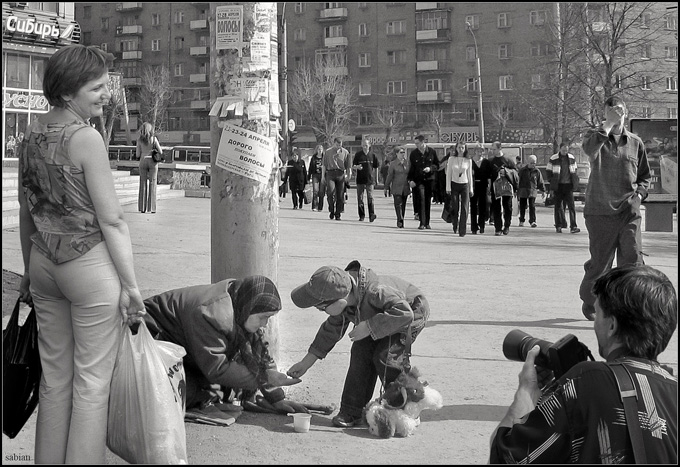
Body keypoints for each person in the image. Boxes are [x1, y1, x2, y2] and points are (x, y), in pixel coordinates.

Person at [17, 44, 146, 464]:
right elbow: (112, 221)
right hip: (88, 266)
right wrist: (130, 286)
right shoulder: (86, 138)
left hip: (42, 264)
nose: (106, 93)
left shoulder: (32, 135)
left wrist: (26, 272)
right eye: (97, 87)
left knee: (55, 381)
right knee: (92, 384)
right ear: (69, 91)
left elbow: (26, 212)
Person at [490, 264, 677, 464]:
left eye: (598, 313)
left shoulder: (586, 380)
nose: (595, 322)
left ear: (612, 325)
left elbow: (506, 458)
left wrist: (526, 393)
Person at [287, 261, 430, 428]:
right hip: (378, 317)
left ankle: (407, 407)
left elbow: (405, 313)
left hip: (409, 313)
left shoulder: (376, 292)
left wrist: (370, 326)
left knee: (386, 357)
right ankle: (352, 411)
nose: (320, 310)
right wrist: (306, 363)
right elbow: (330, 332)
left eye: (321, 308)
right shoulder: (346, 301)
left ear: (338, 301)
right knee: (360, 352)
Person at [141, 276, 309, 415]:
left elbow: (261, 354)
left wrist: (277, 398)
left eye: (269, 318)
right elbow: (218, 369)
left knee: (224, 385)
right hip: (146, 343)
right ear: (250, 308)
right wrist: (264, 379)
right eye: (263, 317)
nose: (265, 324)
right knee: (181, 391)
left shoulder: (244, 302)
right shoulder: (210, 314)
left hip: (180, 348)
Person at [579, 96, 651, 321]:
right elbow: (589, 151)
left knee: (632, 259)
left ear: (626, 113)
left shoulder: (635, 142)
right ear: (605, 113)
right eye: (612, 110)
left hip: (628, 211)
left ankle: (629, 308)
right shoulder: (595, 137)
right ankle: (590, 299)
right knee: (600, 264)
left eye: (620, 110)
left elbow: (645, 176)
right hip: (600, 211)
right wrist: (607, 125)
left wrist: (638, 195)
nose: (617, 113)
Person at [546, 142, 581, 234]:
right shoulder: (554, 158)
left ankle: (573, 226)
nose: (565, 152)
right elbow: (548, 171)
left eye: (566, 150)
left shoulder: (571, 158)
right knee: (558, 207)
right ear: (560, 149)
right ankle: (558, 225)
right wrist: (552, 181)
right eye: (563, 150)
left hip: (568, 185)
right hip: (558, 185)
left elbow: (575, 170)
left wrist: (575, 181)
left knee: (571, 207)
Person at [408, 135, 439, 230]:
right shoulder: (414, 154)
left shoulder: (432, 152)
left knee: (427, 201)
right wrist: (410, 180)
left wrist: (430, 168)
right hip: (419, 180)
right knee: (421, 199)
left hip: (429, 180)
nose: (416, 145)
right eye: (415, 143)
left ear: (423, 142)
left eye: (417, 143)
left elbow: (437, 165)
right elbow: (412, 168)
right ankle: (422, 222)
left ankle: (427, 223)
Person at [489, 142, 518, 236]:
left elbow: (515, 173)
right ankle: (498, 228)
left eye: (494, 149)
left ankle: (507, 226)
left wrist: (506, 171)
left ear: (499, 148)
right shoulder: (491, 161)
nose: (492, 151)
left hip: (507, 187)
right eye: (492, 149)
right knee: (496, 207)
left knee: (507, 207)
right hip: (495, 187)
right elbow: (488, 175)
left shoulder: (508, 160)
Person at [445, 142, 474, 237]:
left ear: (465, 149)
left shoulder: (468, 160)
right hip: (454, 184)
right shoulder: (452, 159)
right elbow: (448, 173)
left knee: (465, 208)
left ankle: (462, 230)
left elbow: (469, 175)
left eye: (462, 147)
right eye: (459, 147)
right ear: (456, 148)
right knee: (455, 206)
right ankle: (455, 224)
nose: (461, 149)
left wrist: (471, 189)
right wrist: (448, 187)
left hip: (464, 184)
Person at [322, 137, 352, 220]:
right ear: (334, 143)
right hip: (330, 173)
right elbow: (324, 165)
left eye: (340, 144)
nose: (339, 146)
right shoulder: (328, 152)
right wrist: (322, 177)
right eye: (337, 144)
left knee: (340, 195)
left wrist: (348, 176)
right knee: (330, 193)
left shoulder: (345, 152)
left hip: (340, 174)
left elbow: (348, 166)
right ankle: (331, 209)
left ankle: (338, 213)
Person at [136, 122, 163, 214]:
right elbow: (160, 151)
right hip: (152, 161)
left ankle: (142, 207)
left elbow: (137, 154)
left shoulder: (139, 140)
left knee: (142, 183)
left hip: (143, 160)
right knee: (153, 183)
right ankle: (151, 208)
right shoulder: (154, 139)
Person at [352, 138, 379, 222]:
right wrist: (357, 167)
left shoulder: (373, 155)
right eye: (363, 145)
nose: (365, 147)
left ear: (369, 145)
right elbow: (353, 166)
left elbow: (376, 167)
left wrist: (376, 179)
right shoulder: (358, 155)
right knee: (360, 198)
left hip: (370, 180)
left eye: (366, 145)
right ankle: (361, 215)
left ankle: (371, 215)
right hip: (360, 180)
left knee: (370, 197)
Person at [384, 145, 411, 228]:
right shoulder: (393, 164)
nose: (403, 154)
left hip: (405, 187)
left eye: (404, 152)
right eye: (401, 152)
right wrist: (386, 187)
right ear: (397, 154)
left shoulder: (407, 163)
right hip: (396, 187)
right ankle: (400, 219)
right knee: (398, 204)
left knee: (403, 205)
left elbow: (410, 174)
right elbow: (390, 176)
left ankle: (401, 219)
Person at [517, 155, 545, 228]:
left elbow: (540, 181)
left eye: (534, 163)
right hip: (523, 190)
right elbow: (518, 180)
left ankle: (532, 221)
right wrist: (516, 189)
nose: (533, 164)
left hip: (532, 190)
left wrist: (542, 190)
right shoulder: (522, 170)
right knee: (522, 206)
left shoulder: (537, 171)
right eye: (532, 163)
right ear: (528, 162)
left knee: (532, 206)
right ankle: (521, 220)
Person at [470, 146, 493, 235]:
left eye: (482, 151)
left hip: (483, 185)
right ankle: (474, 227)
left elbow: (489, 176)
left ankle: (482, 225)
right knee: (473, 206)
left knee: (483, 206)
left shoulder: (486, 162)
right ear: (475, 151)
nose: (480, 152)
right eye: (478, 151)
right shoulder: (470, 161)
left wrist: (489, 187)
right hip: (473, 185)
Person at [308, 144, 325, 212]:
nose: (320, 151)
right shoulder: (313, 158)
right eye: (319, 149)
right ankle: (314, 206)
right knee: (315, 190)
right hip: (315, 175)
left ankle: (320, 207)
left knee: (321, 191)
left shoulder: (324, 157)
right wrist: (308, 177)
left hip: (322, 175)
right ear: (317, 150)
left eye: (321, 149)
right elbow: (310, 168)